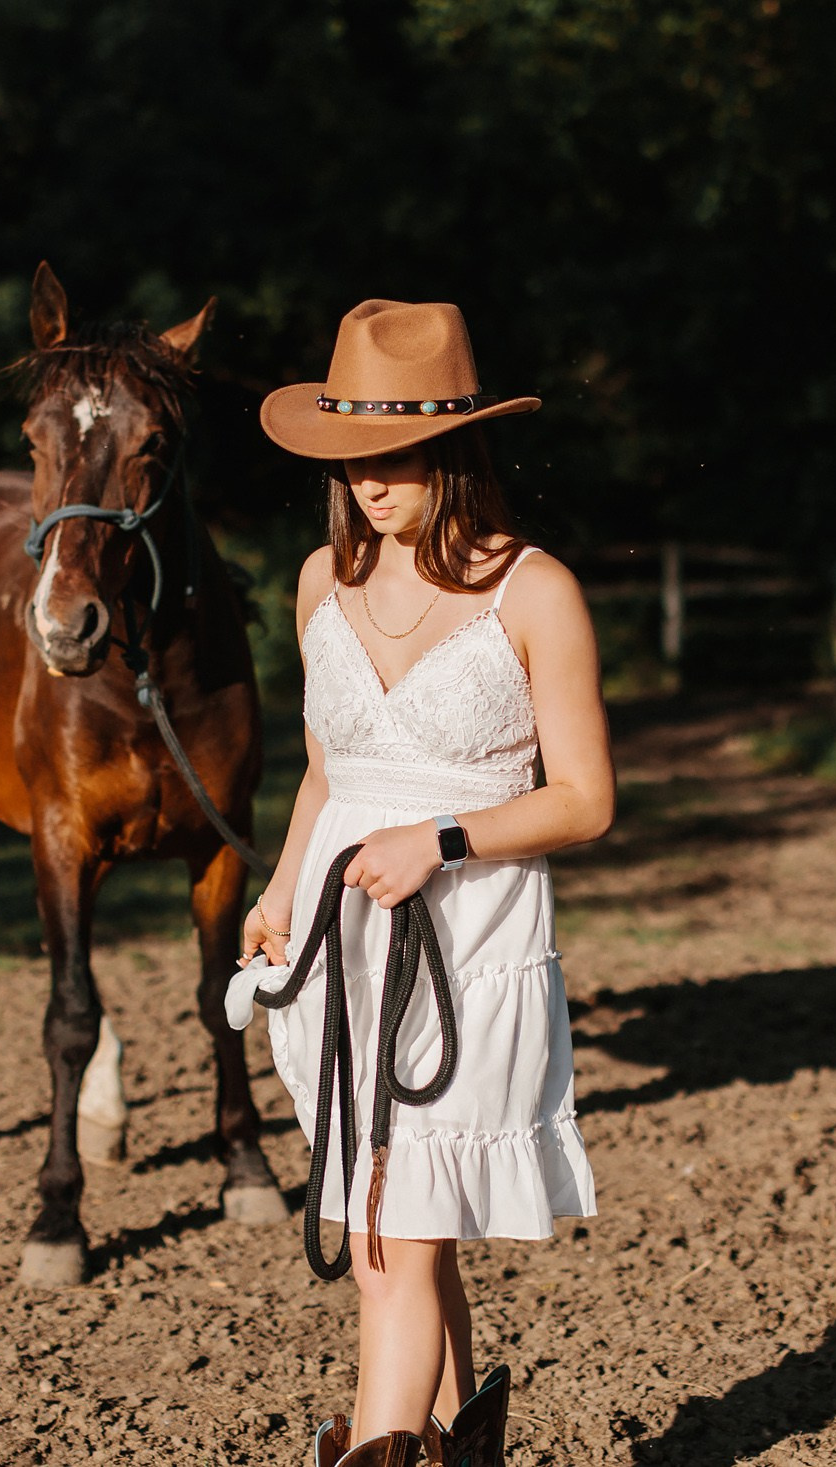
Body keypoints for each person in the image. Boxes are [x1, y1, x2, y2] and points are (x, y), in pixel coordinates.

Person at [236, 299, 613, 1466]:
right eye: (351, 458)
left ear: (454, 450)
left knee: (386, 1243)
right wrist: (281, 892)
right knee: (407, 1227)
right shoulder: (319, 582)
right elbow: (327, 772)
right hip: (341, 942)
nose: (369, 483)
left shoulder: (533, 591)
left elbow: (584, 800)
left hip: (465, 940)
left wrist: (440, 841)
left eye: (393, 456)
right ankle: (455, 1448)